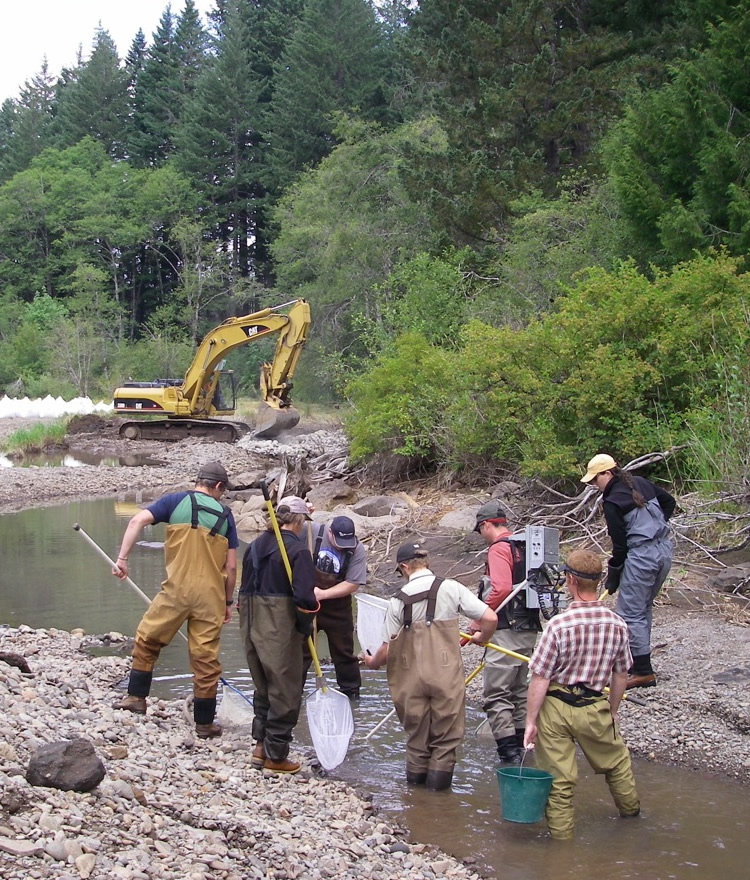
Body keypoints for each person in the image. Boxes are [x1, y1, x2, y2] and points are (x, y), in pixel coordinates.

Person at [112, 461, 238, 739]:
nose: (222, 496)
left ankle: (136, 698)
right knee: (206, 659)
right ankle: (204, 724)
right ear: (217, 486)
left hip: (176, 591)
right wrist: (227, 603)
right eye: (222, 491)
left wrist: (122, 559)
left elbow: (136, 521)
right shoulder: (226, 516)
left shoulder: (175, 501)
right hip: (211, 598)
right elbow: (230, 568)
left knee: (147, 638)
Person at [524, 548, 640, 840]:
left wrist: (530, 722)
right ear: (598, 582)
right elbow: (621, 673)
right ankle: (633, 817)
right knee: (616, 764)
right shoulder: (618, 624)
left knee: (559, 780)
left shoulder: (558, 625)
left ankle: (562, 845)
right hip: (594, 704)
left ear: (570, 581)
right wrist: (612, 711)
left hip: (555, 708)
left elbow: (540, 677)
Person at [363, 541, 497, 791]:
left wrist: (372, 663)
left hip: (409, 677)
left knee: (416, 738)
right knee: (445, 741)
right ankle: (438, 806)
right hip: (445, 674)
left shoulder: (396, 601)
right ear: (425, 563)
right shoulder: (452, 588)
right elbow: (490, 617)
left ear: (404, 567)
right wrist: (482, 638)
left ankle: (415, 800)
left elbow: (387, 648)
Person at [238, 495, 319, 774]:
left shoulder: (254, 547)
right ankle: (276, 755)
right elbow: (305, 598)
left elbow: (243, 587)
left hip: (250, 621)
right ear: (297, 521)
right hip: (279, 625)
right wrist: (306, 625)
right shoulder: (297, 551)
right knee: (286, 686)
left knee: (263, 682)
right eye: (303, 522)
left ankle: (260, 747)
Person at [581, 453, 676, 688]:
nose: (594, 485)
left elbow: (620, 546)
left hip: (642, 556)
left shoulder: (612, 501)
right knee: (642, 608)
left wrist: (614, 573)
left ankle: (642, 671)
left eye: (595, 480)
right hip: (664, 550)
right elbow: (669, 502)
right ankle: (637, 661)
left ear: (607, 473)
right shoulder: (640, 483)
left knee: (630, 613)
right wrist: (656, 526)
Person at [468, 501, 542, 763]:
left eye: (480, 530)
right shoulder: (524, 546)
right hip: (529, 630)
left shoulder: (498, 549)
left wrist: (479, 621)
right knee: (520, 691)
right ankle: (524, 752)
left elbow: (499, 588)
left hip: (506, 630)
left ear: (486, 525)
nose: (481, 536)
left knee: (497, 694)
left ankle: (508, 756)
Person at [302, 515, 367, 699]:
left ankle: (351, 693)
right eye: (338, 541)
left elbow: (353, 583)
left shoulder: (357, 549)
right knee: (302, 652)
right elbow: (284, 527)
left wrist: (323, 594)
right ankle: (293, 693)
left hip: (338, 608)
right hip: (309, 605)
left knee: (344, 653)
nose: (342, 546)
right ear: (330, 532)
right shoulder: (311, 530)